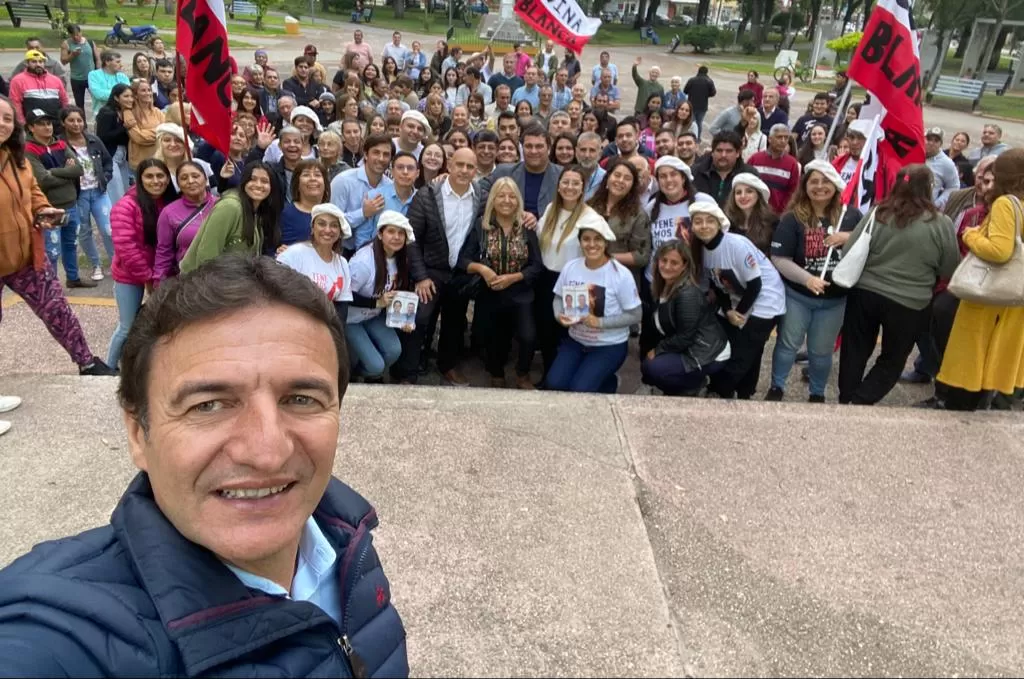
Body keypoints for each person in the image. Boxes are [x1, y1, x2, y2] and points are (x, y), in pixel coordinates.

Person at [0, 253, 409, 674]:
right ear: (139, 433)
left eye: (301, 399)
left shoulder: (347, 543)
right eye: (208, 405)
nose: (267, 452)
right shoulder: (58, 631)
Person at [0, 95, 115, 386]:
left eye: (7, 118)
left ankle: (87, 362)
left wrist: (42, 209)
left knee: (57, 309)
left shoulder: (17, 158)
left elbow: (34, 191)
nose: (2, 124)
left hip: (27, 256)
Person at [837, 164, 960, 405]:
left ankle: (846, 399)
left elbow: (850, 248)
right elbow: (949, 268)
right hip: (910, 301)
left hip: (865, 294)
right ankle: (861, 400)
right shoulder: (940, 223)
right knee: (892, 359)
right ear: (929, 188)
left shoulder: (877, 213)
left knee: (855, 350)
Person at [937, 149, 1024, 411]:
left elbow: (999, 251)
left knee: (971, 360)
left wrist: (971, 235)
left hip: (989, 295)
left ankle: (960, 410)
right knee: (991, 360)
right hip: (1012, 295)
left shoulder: (1005, 203)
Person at [766, 161, 860, 402]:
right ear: (805, 186)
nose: (820, 186)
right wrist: (807, 279)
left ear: (836, 184)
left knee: (821, 351)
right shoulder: (792, 218)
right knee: (787, 345)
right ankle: (777, 387)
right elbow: (779, 258)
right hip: (798, 296)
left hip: (835, 300)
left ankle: (817, 393)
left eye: (826, 181)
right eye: (814, 182)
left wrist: (848, 236)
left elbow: (867, 243)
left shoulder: (851, 215)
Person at [398, 147, 480, 385]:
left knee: (454, 322)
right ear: (450, 165)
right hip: (430, 270)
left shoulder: (481, 196)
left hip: (460, 271)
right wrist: (421, 276)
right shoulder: (427, 195)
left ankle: (448, 366)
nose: (464, 170)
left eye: (470, 167)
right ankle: (408, 371)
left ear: (475, 171)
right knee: (420, 319)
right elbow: (412, 238)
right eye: (459, 165)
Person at [689, 200, 786, 399]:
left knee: (743, 352)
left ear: (719, 223)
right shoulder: (701, 250)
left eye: (710, 221)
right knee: (735, 346)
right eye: (698, 221)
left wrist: (738, 314)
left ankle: (720, 392)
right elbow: (718, 285)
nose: (704, 226)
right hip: (737, 297)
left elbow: (756, 285)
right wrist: (727, 311)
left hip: (766, 299)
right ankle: (744, 392)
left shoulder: (735, 244)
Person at [459, 178, 543, 389]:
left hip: (520, 291)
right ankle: (496, 372)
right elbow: (463, 260)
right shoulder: (481, 225)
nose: (506, 200)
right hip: (490, 290)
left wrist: (514, 277)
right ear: (492, 200)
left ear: (518, 200)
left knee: (528, 336)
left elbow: (537, 265)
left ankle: (522, 374)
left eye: (512, 196)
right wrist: (482, 269)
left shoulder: (526, 226)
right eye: (501, 196)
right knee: (491, 335)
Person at [546, 218, 641, 393]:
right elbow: (558, 298)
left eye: (597, 239)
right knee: (554, 383)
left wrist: (600, 322)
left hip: (609, 344)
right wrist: (559, 315)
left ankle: (609, 381)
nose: (591, 244)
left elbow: (635, 315)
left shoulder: (621, 274)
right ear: (580, 242)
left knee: (580, 389)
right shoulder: (571, 267)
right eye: (586, 239)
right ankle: (597, 376)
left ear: (606, 242)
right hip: (576, 340)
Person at [534, 165, 610, 377]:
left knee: (573, 333)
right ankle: (550, 375)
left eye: (576, 183)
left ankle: (570, 377)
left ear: (583, 188)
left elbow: (602, 254)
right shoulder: (551, 210)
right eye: (565, 182)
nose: (570, 187)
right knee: (546, 330)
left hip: (576, 283)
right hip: (546, 279)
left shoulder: (591, 218)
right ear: (558, 186)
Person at [108, 155, 179, 369]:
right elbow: (126, 247)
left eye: (160, 176)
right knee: (127, 326)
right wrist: (148, 278)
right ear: (140, 179)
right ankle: (108, 368)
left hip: (161, 274)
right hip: (129, 276)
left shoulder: (170, 203)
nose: (156, 181)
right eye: (149, 176)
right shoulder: (126, 206)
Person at [641, 239, 730, 396]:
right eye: (664, 260)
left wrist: (659, 349)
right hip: (688, 344)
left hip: (708, 351)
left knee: (652, 367)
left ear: (684, 266)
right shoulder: (660, 286)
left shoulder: (687, 295)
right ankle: (678, 386)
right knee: (650, 366)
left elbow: (685, 337)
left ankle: (694, 384)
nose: (667, 266)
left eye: (674, 263)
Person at [23, 108, 89, 291]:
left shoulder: (60, 144)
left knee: (71, 244)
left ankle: (73, 278)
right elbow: (42, 179)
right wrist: (66, 172)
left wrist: (53, 171)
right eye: (41, 124)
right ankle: (51, 287)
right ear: (31, 127)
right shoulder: (28, 150)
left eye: (49, 123)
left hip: (71, 204)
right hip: (49, 207)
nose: (47, 127)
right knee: (51, 251)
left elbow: (79, 169)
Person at [347, 210, 413, 381]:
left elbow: (395, 294)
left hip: (373, 316)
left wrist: (404, 319)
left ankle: (366, 374)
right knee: (376, 365)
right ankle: (355, 374)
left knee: (394, 351)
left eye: (401, 233)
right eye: (391, 231)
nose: (396, 237)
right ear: (380, 234)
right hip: (350, 319)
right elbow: (344, 295)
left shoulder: (401, 259)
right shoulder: (363, 262)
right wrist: (376, 303)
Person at [181, 161, 283, 271]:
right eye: (252, 179)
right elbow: (207, 255)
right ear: (244, 182)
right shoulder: (230, 207)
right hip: (203, 278)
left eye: (264, 181)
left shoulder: (258, 212)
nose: (258, 185)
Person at [61, 105, 113, 282]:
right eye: (71, 120)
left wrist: (105, 177)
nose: (76, 124)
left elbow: (107, 161)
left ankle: (116, 263)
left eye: (79, 120)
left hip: (98, 191)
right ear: (63, 122)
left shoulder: (93, 140)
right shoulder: (60, 145)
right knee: (84, 231)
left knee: (108, 229)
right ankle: (95, 264)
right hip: (78, 195)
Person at [277, 202, 353, 321]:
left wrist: (336, 331)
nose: (327, 230)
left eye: (334, 225)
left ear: (340, 232)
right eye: (321, 224)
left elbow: (342, 306)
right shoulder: (293, 254)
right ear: (312, 228)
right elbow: (276, 294)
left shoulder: (342, 263)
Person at [480, 123, 563, 228]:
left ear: (549, 149)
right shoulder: (504, 171)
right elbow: (479, 191)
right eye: (528, 146)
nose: (533, 151)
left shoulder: (562, 175)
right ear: (521, 148)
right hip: (513, 233)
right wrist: (513, 211)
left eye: (539, 146)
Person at [153, 161, 216, 284]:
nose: (190, 181)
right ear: (178, 185)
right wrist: (159, 283)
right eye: (184, 178)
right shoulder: (169, 213)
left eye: (195, 176)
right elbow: (164, 252)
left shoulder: (222, 205)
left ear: (206, 179)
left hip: (221, 277)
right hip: (189, 279)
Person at [331, 134, 393, 250]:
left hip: (379, 251)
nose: (381, 158)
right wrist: (363, 213)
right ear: (365, 154)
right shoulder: (342, 181)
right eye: (376, 152)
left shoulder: (390, 186)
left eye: (386, 154)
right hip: (343, 249)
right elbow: (332, 223)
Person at [588, 158, 650, 273]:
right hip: (589, 272)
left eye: (627, 178)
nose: (621, 180)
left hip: (620, 275)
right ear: (607, 178)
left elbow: (642, 256)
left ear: (632, 185)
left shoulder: (638, 215)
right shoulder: (590, 207)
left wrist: (605, 257)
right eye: (617, 175)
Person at [691, 131, 758, 206]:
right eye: (719, 150)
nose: (723, 155)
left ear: (738, 153)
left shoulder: (750, 175)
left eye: (729, 151)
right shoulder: (695, 173)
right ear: (712, 152)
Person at [10, 50, 69, 127]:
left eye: (41, 62)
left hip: (56, 124)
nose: (38, 64)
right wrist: (22, 124)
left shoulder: (56, 80)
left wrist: (65, 119)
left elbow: (64, 100)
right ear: (27, 63)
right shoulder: (18, 80)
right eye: (34, 62)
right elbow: (15, 104)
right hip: (32, 125)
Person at [278, 159, 330, 248]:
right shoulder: (284, 213)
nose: (313, 178)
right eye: (306, 175)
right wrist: (278, 251)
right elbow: (270, 248)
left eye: (317, 175)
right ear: (297, 183)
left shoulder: (333, 213)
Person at [724, 172, 777, 256]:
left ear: (758, 195)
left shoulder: (772, 223)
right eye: (738, 192)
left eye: (749, 191)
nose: (743, 196)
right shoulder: (726, 222)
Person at [124, 79, 165, 173]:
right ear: (135, 95)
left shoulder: (157, 112)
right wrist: (157, 131)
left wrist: (145, 132)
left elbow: (165, 133)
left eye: (149, 90)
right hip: (139, 163)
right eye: (143, 90)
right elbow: (138, 137)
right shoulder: (129, 113)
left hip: (159, 160)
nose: (148, 93)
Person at [60, 25, 100, 110]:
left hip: (91, 77)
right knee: (79, 104)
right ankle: (81, 118)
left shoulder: (90, 42)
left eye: (77, 34)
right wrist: (72, 55)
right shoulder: (66, 44)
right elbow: (63, 61)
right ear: (69, 35)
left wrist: (99, 73)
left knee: (98, 100)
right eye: (73, 35)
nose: (76, 37)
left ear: (81, 32)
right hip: (76, 79)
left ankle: (98, 117)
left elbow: (97, 58)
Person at [924, 127, 960, 208]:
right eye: (929, 139)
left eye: (936, 141)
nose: (931, 143)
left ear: (940, 144)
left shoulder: (947, 163)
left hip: (927, 208)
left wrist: (938, 203)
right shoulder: (915, 153)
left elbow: (953, 186)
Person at [87, 51, 130, 116]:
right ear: (107, 62)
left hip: (121, 113)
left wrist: (117, 95)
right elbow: (98, 94)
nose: (121, 65)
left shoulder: (122, 76)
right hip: (101, 113)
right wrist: (120, 95)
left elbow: (128, 94)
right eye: (118, 62)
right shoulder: (93, 75)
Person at [683, 65, 716, 138]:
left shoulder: (692, 80)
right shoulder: (709, 81)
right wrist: (706, 94)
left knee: (691, 123)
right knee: (699, 123)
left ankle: (690, 137)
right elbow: (713, 93)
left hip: (691, 105)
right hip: (703, 106)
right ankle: (697, 138)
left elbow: (685, 91)